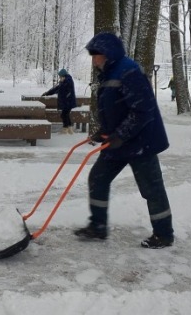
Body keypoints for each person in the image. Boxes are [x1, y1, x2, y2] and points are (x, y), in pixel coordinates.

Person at [74, 32, 174, 249]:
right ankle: (98, 226)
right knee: (98, 178)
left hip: (140, 141)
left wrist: (120, 134)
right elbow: (116, 109)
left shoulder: (128, 71)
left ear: (108, 54)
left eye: (96, 55)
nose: (94, 60)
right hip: (118, 141)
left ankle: (164, 234)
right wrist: (104, 131)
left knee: (152, 189)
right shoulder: (110, 73)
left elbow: (143, 110)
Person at [42, 68, 77, 134]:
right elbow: (56, 89)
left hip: (68, 102)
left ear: (63, 76)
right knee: (66, 115)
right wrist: (47, 93)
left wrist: (62, 82)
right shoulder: (64, 81)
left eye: (60, 76)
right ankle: (70, 129)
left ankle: (65, 129)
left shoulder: (68, 81)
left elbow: (63, 89)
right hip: (67, 102)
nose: (59, 77)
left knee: (64, 115)